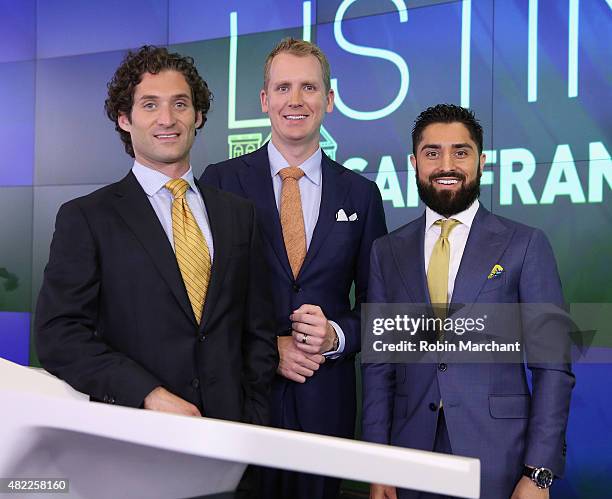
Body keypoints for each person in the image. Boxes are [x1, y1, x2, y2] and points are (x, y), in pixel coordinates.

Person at [35, 46, 278, 428]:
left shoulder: (238, 214)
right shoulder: (86, 218)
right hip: (135, 439)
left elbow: (257, 332)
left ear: (198, 116)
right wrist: (146, 394)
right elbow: (59, 336)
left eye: (180, 104)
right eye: (149, 105)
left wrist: (250, 417)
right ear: (124, 118)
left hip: (232, 444)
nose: (167, 118)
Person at [201, 38, 387, 499]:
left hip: (326, 407)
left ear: (329, 98)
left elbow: (379, 308)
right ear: (265, 100)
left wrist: (336, 337)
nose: (296, 100)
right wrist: (269, 348)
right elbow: (202, 305)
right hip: (242, 401)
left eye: (308, 87)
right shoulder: (219, 183)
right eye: (283, 87)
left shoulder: (361, 195)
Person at [362, 104, 574, 499]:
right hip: (410, 460)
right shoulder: (386, 251)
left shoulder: (525, 245)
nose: (447, 164)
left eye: (460, 152)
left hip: (500, 462)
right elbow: (379, 368)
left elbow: (553, 368)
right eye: (432, 152)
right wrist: (378, 465)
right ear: (414, 162)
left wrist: (539, 472)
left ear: (482, 161)